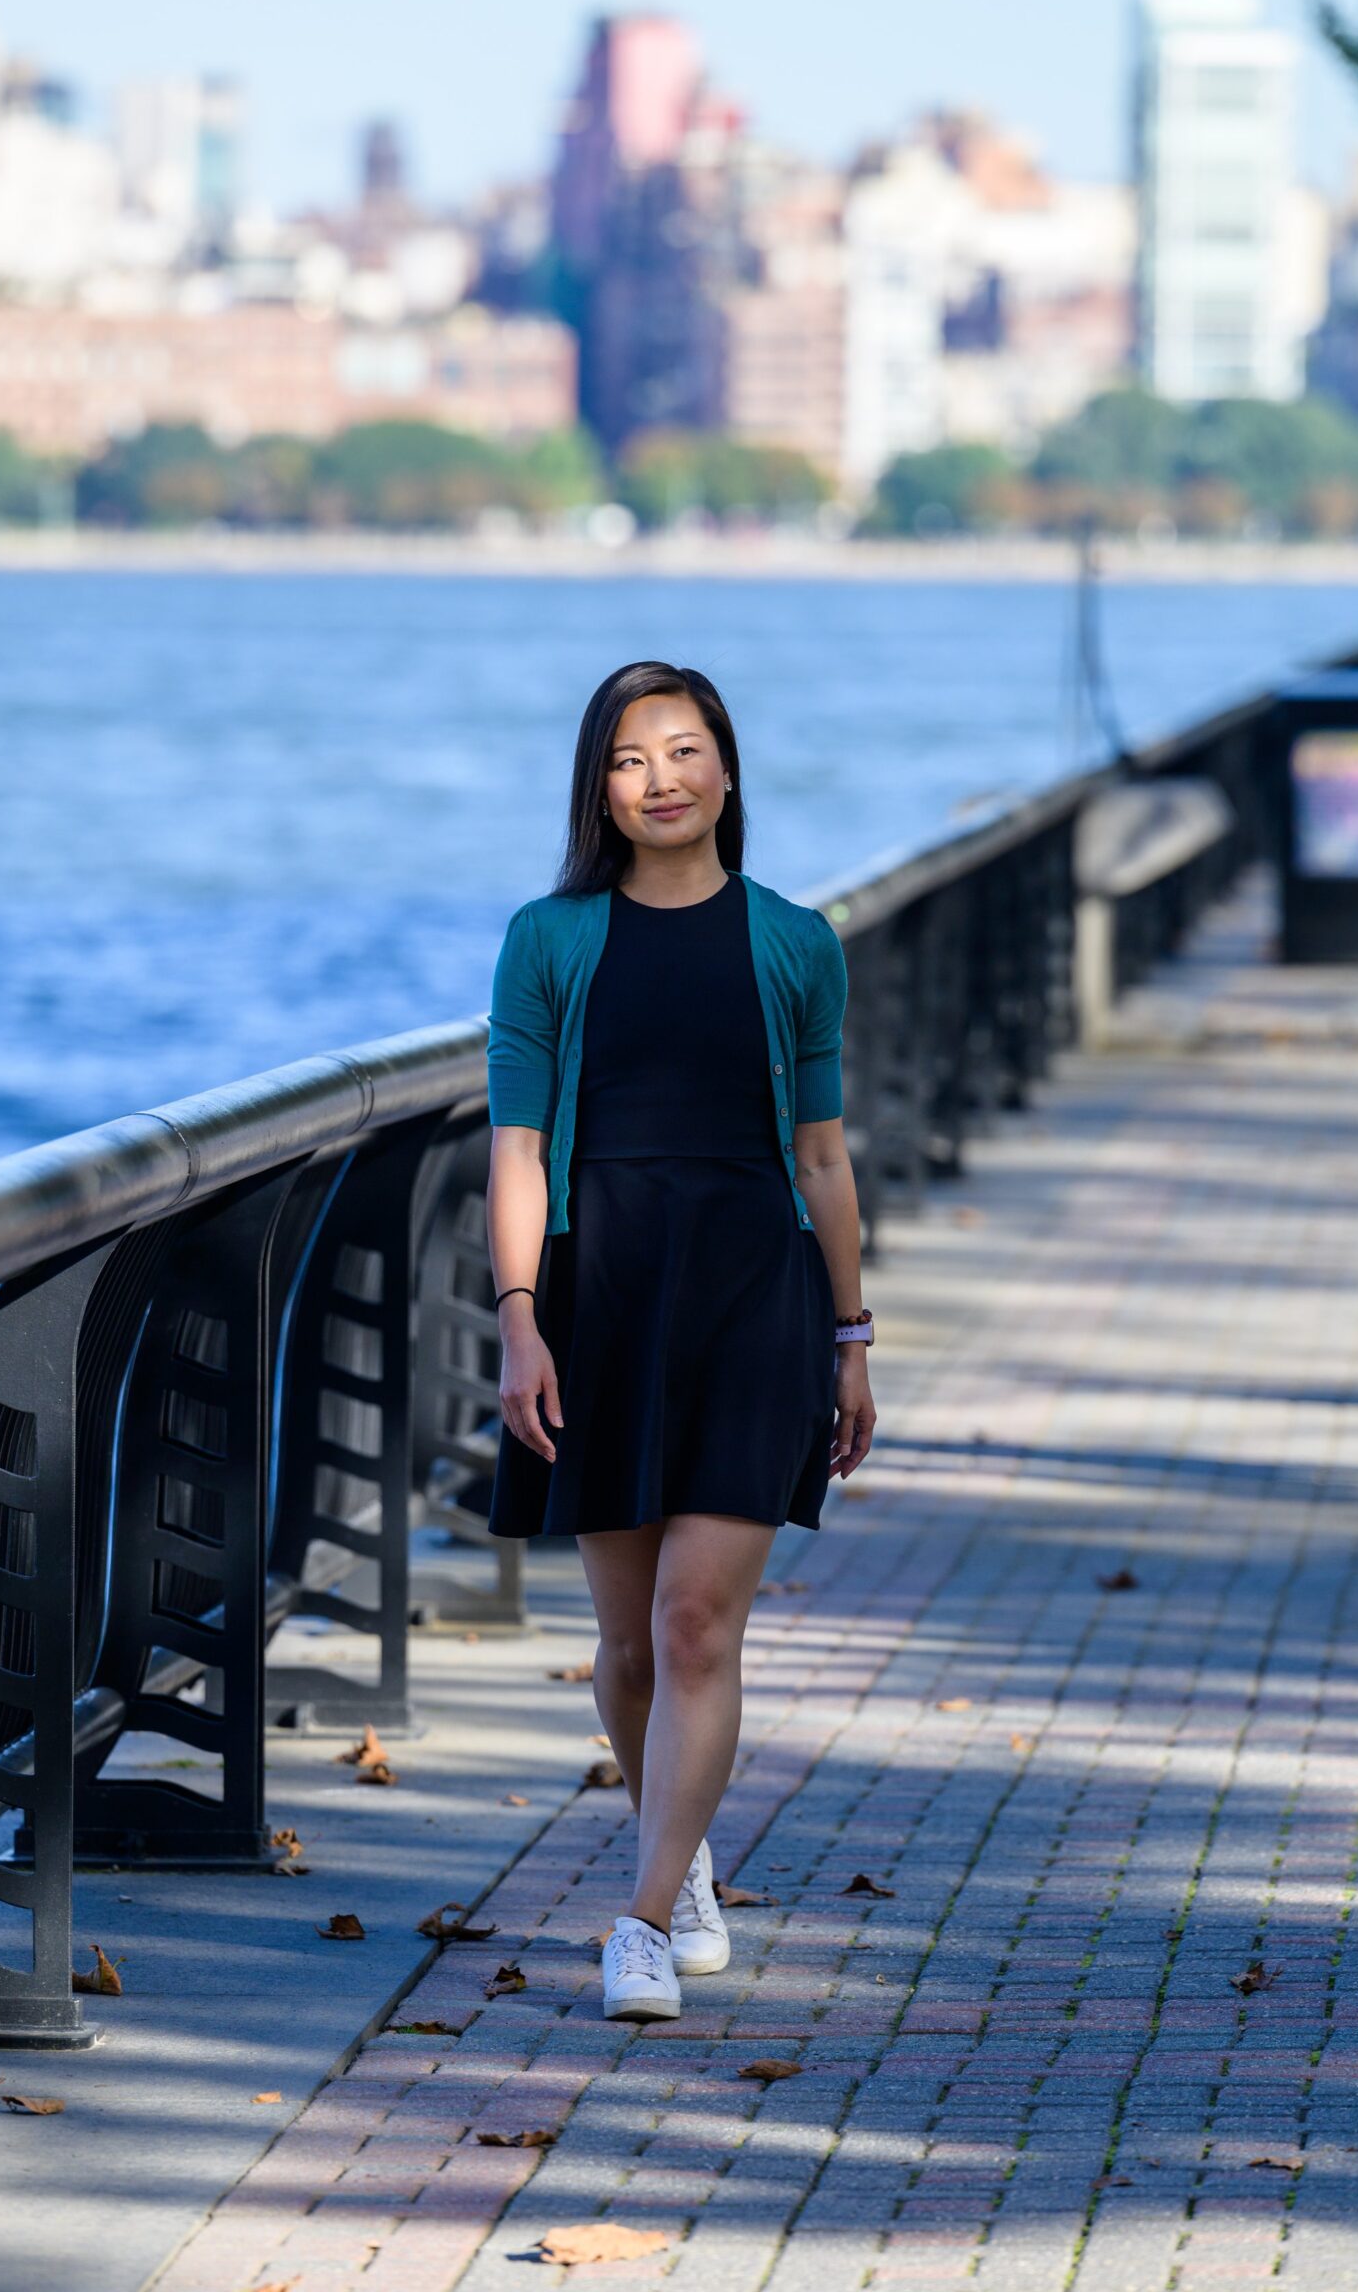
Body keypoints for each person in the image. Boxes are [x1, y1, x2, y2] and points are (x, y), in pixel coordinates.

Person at [484, 660, 877, 2023]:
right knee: (629, 1648)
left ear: (724, 769)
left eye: (683, 749)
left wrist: (851, 1334)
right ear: (598, 787)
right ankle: (681, 1851)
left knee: (696, 1620)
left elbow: (821, 1155)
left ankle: (641, 1921)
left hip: (751, 1299)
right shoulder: (547, 940)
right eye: (628, 757)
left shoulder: (791, 942)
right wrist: (519, 1319)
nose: (659, 776)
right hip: (602, 1299)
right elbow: (518, 1149)